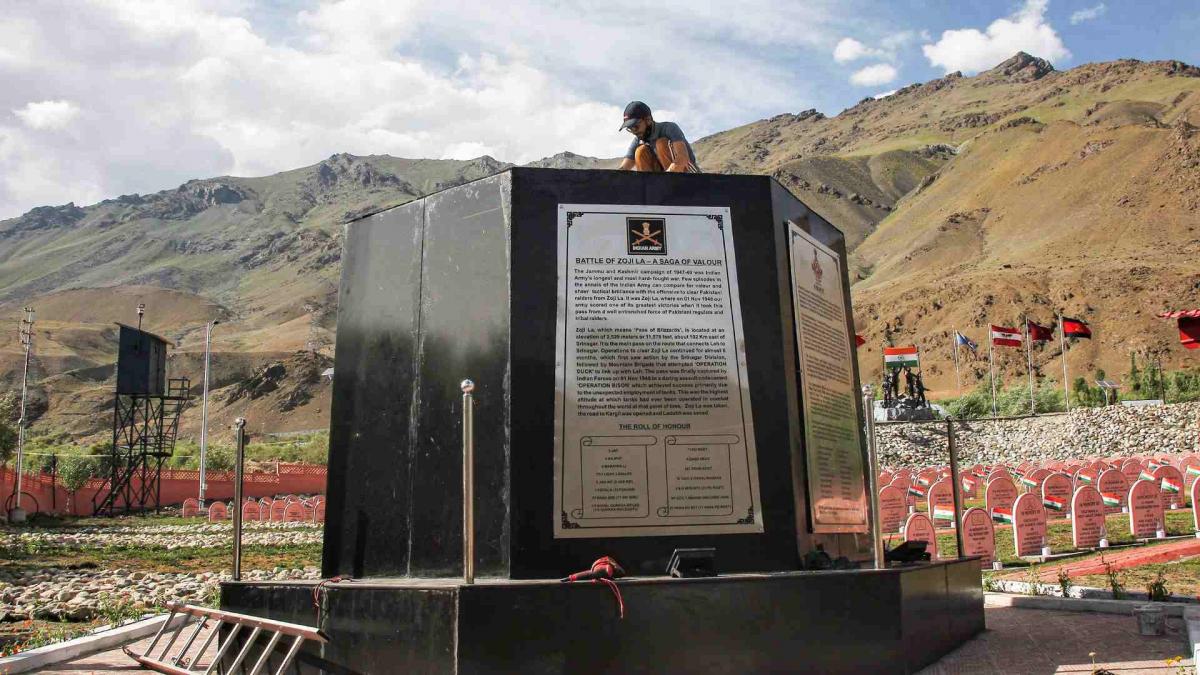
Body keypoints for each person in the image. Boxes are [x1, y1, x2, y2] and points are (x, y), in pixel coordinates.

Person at [617, 101, 701, 173]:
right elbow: (624, 168)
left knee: (661, 143)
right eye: (630, 129)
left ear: (648, 120)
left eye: (636, 126)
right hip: (664, 185)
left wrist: (664, 179)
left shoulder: (669, 128)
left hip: (690, 179)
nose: (634, 132)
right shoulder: (638, 140)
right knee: (640, 151)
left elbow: (682, 157)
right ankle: (650, 187)